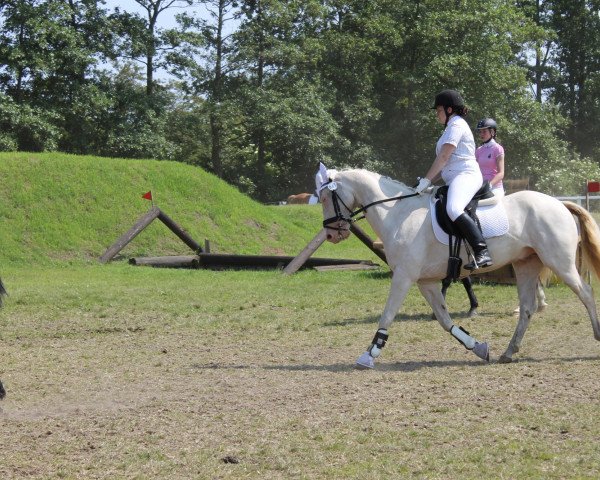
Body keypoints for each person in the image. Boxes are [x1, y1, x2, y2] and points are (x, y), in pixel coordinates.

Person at [414, 89, 492, 270]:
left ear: (450, 110)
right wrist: (430, 183)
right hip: (455, 178)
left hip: (466, 175)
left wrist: (426, 179)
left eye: (439, 110)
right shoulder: (450, 128)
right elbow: (446, 164)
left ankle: (482, 251)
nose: (436, 114)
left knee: (454, 208)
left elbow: (443, 158)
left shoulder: (457, 126)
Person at [475, 118, 504, 197]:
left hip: (495, 188)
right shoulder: (478, 150)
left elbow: (501, 173)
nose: (481, 134)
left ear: (492, 132)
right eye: (480, 132)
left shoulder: (498, 149)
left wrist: (489, 185)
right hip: (481, 188)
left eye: (484, 131)